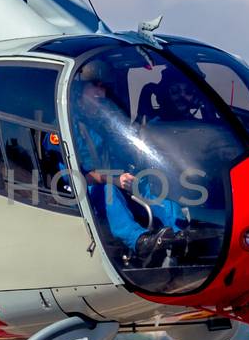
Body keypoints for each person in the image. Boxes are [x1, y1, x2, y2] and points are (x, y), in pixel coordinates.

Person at [73, 60, 186, 266]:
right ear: (79, 91)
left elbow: (125, 153)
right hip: (89, 190)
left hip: (118, 179)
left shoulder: (105, 124)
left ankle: (180, 233)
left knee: (150, 186)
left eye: (104, 88)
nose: (101, 93)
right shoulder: (69, 127)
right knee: (109, 191)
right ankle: (139, 241)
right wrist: (114, 180)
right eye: (95, 86)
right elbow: (72, 178)